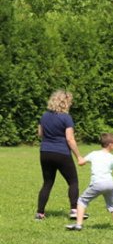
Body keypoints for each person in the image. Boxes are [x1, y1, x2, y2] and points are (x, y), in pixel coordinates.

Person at [36, 89, 86, 221]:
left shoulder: (44, 116)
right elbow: (70, 139)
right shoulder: (66, 118)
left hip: (45, 152)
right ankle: (74, 210)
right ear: (65, 102)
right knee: (73, 182)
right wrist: (79, 156)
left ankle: (40, 213)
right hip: (61, 153)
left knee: (47, 182)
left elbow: (40, 134)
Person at [65, 133, 113, 231]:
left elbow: (81, 163)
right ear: (110, 144)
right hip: (110, 184)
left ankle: (78, 225)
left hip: (97, 183)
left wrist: (78, 156)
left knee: (82, 201)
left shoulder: (94, 154)